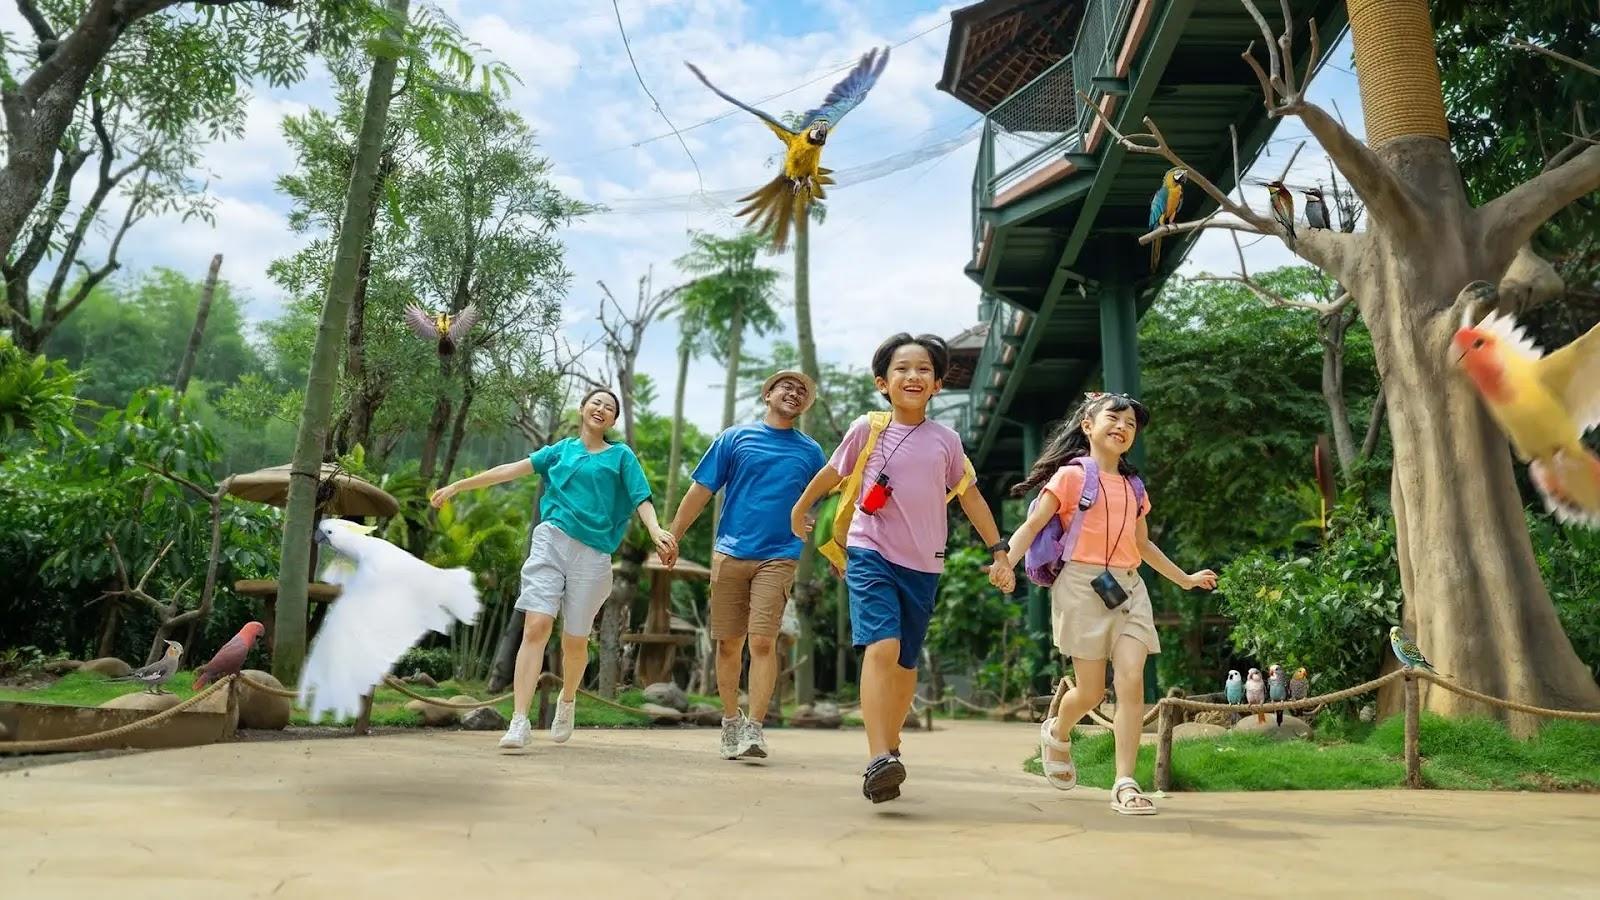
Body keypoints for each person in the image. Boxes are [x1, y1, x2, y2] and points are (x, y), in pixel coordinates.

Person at [790, 333, 1014, 803]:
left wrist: (998, 549)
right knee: (883, 644)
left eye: (924, 370)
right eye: (902, 368)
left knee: (907, 661)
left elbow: (970, 495)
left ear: (936, 385)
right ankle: (876, 758)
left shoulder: (947, 441)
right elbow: (833, 471)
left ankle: (890, 744)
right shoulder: (866, 429)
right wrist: (802, 506)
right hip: (869, 550)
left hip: (924, 563)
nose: (913, 375)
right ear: (883, 382)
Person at [1002, 392, 1216, 815]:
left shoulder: (1134, 487)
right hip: (1081, 586)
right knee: (1091, 692)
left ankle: (1124, 782)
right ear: (1088, 425)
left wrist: (1186, 578)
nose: (1122, 427)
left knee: (1132, 678)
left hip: (1128, 588)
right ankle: (1059, 730)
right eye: (1113, 418)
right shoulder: (1069, 477)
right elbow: (1032, 525)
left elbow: (1143, 545)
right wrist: (1005, 562)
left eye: (1131, 424)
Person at [430, 387, 676, 751]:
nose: (602, 409)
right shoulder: (559, 451)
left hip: (593, 555)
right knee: (537, 625)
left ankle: (568, 698)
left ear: (613, 420)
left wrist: (656, 531)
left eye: (610, 407)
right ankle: (519, 721)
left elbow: (642, 497)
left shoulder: (621, 456)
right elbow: (509, 470)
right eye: (596, 402)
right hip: (551, 540)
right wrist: (458, 486)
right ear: (582, 409)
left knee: (574, 643)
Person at [668, 370, 827, 761]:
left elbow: (823, 503)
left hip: (780, 555)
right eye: (786, 386)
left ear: (804, 406)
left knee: (761, 641)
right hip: (731, 553)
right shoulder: (734, 438)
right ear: (768, 394)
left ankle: (755, 728)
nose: (794, 392)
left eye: (801, 391)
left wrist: (821, 532)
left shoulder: (811, 453)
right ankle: (730, 721)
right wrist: (674, 534)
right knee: (728, 645)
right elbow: (701, 490)